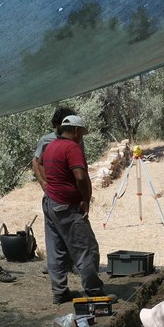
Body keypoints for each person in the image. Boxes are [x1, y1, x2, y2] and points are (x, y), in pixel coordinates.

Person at [41, 114, 104, 304]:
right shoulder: (72, 148)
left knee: (56, 249)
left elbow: (41, 165)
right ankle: (94, 291)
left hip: (50, 202)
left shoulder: (51, 146)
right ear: (76, 131)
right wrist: (85, 199)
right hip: (66, 206)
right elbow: (80, 176)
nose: (82, 136)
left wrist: (49, 186)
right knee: (86, 248)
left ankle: (60, 292)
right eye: (82, 132)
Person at [32, 105, 76, 190]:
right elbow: (35, 161)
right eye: (62, 124)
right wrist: (43, 182)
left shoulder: (76, 139)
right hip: (53, 188)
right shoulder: (45, 140)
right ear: (56, 124)